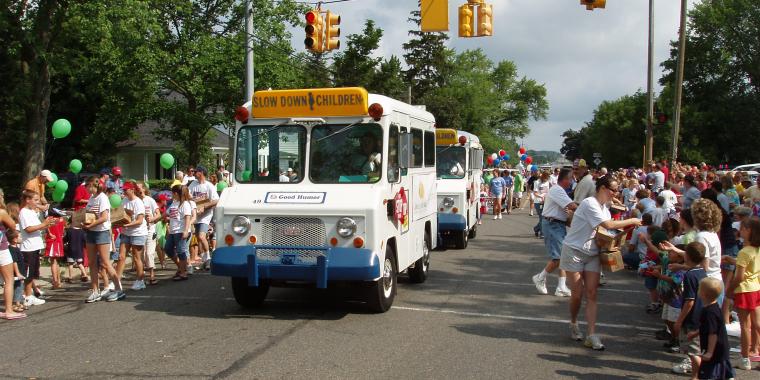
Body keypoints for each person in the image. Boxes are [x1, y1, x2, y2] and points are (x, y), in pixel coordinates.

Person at [560, 176, 641, 350]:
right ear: (602, 188)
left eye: (617, 189)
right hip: (574, 251)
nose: (615, 193)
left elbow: (604, 231)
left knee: (592, 293)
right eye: (613, 189)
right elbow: (608, 224)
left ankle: (591, 334)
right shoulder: (590, 203)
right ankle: (573, 323)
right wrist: (633, 221)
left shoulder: (605, 208)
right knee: (577, 294)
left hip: (592, 253)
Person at [532, 168, 576, 297]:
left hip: (558, 225)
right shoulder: (557, 190)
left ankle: (561, 287)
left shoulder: (559, 190)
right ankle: (540, 277)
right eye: (571, 178)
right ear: (565, 179)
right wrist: (586, 208)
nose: (572, 181)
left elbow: (568, 208)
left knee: (563, 256)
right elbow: (572, 206)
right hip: (552, 225)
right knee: (558, 258)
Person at [724, 217, 760, 371]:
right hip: (756, 288)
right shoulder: (756, 249)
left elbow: (739, 276)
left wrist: (730, 290)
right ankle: (755, 350)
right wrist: (731, 260)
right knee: (757, 324)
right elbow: (747, 264)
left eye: (743, 228)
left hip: (744, 290)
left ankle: (745, 358)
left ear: (749, 231)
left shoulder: (744, 251)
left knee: (745, 326)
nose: (740, 230)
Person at [668, 242, 709, 376]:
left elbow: (689, 301)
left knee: (693, 351)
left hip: (692, 318)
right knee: (696, 348)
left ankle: (696, 375)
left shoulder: (689, 275)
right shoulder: (702, 272)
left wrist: (679, 320)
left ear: (687, 256)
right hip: (701, 314)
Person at [82, 176, 124, 303]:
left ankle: (118, 289)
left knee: (105, 263)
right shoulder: (91, 198)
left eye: (88, 186)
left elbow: (104, 217)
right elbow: (89, 215)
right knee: (92, 262)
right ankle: (95, 290)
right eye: (86, 186)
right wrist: (84, 223)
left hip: (101, 232)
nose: (87, 188)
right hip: (91, 232)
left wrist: (91, 225)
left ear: (94, 186)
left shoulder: (103, 198)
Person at [692, 277, 735, 379]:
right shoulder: (715, 307)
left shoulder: (709, 312)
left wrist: (710, 352)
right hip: (721, 349)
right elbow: (708, 327)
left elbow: (713, 333)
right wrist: (695, 333)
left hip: (715, 352)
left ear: (703, 294)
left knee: (710, 375)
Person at [19, 190, 56, 307]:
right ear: (27, 200)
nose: (37, 203)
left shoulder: (31, 212)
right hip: (28, 247)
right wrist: (44, 224)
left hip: (35, 246)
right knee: (28, 274)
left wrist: (48, 224)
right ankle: (28, 296)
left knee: (33, 273)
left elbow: (37, 227)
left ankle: (29, 295)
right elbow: (28, 229)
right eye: (35, 200)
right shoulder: (24, 212)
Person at [118, 181, 148, 290]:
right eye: (123, 190)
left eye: (126, 190)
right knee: (121, 257)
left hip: (138, 232)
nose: (124, 191)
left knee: (136, 257)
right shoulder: (124, 201)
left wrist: (127, 224)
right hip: (126, 232)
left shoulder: (138, 202)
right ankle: (117, 281)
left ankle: (140, 281)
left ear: (132, 190)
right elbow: (121, 215)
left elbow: (139, 221)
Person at [189, 166, 219, 268]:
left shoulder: (209, 186)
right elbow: (188, 196)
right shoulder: (193, 184)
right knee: (198, 238)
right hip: (196, 215)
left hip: (206, 215)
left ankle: (208, 259)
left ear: (201, 173)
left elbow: (216, 200)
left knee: (202, 236)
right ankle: (203, 259)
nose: (194, 172)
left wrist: (204, 207)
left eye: (196, 171)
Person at [1, 201, 24, 320]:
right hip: (2, 249)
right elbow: (13, 226)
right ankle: (9, 310)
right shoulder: (2, 212)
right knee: (9, 280)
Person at [165, 185, 192, 281]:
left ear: (175, 193)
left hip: (180, 231)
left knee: (181, 251)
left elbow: (188, 218)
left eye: (172, 193)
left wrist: (186, 230)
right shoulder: (174, 203)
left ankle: (183, 272)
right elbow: (166, 214)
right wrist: (155, 219)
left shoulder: (185, 204)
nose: (171, 195)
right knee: (167, 248)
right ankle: (180, 267)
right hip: (173, 231)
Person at [139, 182, 160, 285]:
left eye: (139, 188)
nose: (137, 190)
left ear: (143, 189)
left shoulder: (150, 200)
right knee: (141, 254)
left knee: (149, 253)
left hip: (150, 230)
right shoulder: (136, 201)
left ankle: (152, 275)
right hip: (139, 231)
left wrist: (152, 219)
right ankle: (141, 276)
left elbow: (158, 214)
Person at [44, 217, 66, 289]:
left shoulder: (50, 218)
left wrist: (50, 234)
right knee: (56, 262)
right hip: (59, 240)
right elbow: (63, 231)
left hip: (52, 240)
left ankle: (55, 281)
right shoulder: (61, 219)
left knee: (53, 262)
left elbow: (46, 227)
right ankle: (58, 281)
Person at [532, 171, 550, 237]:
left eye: (548, 177)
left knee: (544, 217)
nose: (547, 179)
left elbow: (548, 192)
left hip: (546, 201)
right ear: (543, 176)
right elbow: (535, 193)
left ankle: (536, 229)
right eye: (546, 177)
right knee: (542, 217)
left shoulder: (547, 182)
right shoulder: (537, 182)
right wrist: (541, 197)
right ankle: (542, 233)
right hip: (538, 202)